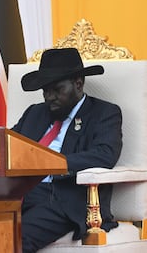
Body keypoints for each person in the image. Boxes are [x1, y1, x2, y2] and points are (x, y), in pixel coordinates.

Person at [11, 48, 122, 252]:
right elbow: (10, 146)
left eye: (56, 89)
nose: (49, 97)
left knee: (12, 238)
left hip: (65, 198)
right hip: (19, 195)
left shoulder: (104, 113)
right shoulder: (35, 113)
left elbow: (105, 154)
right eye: (45, 90)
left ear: (78, 84)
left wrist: (51, 162)